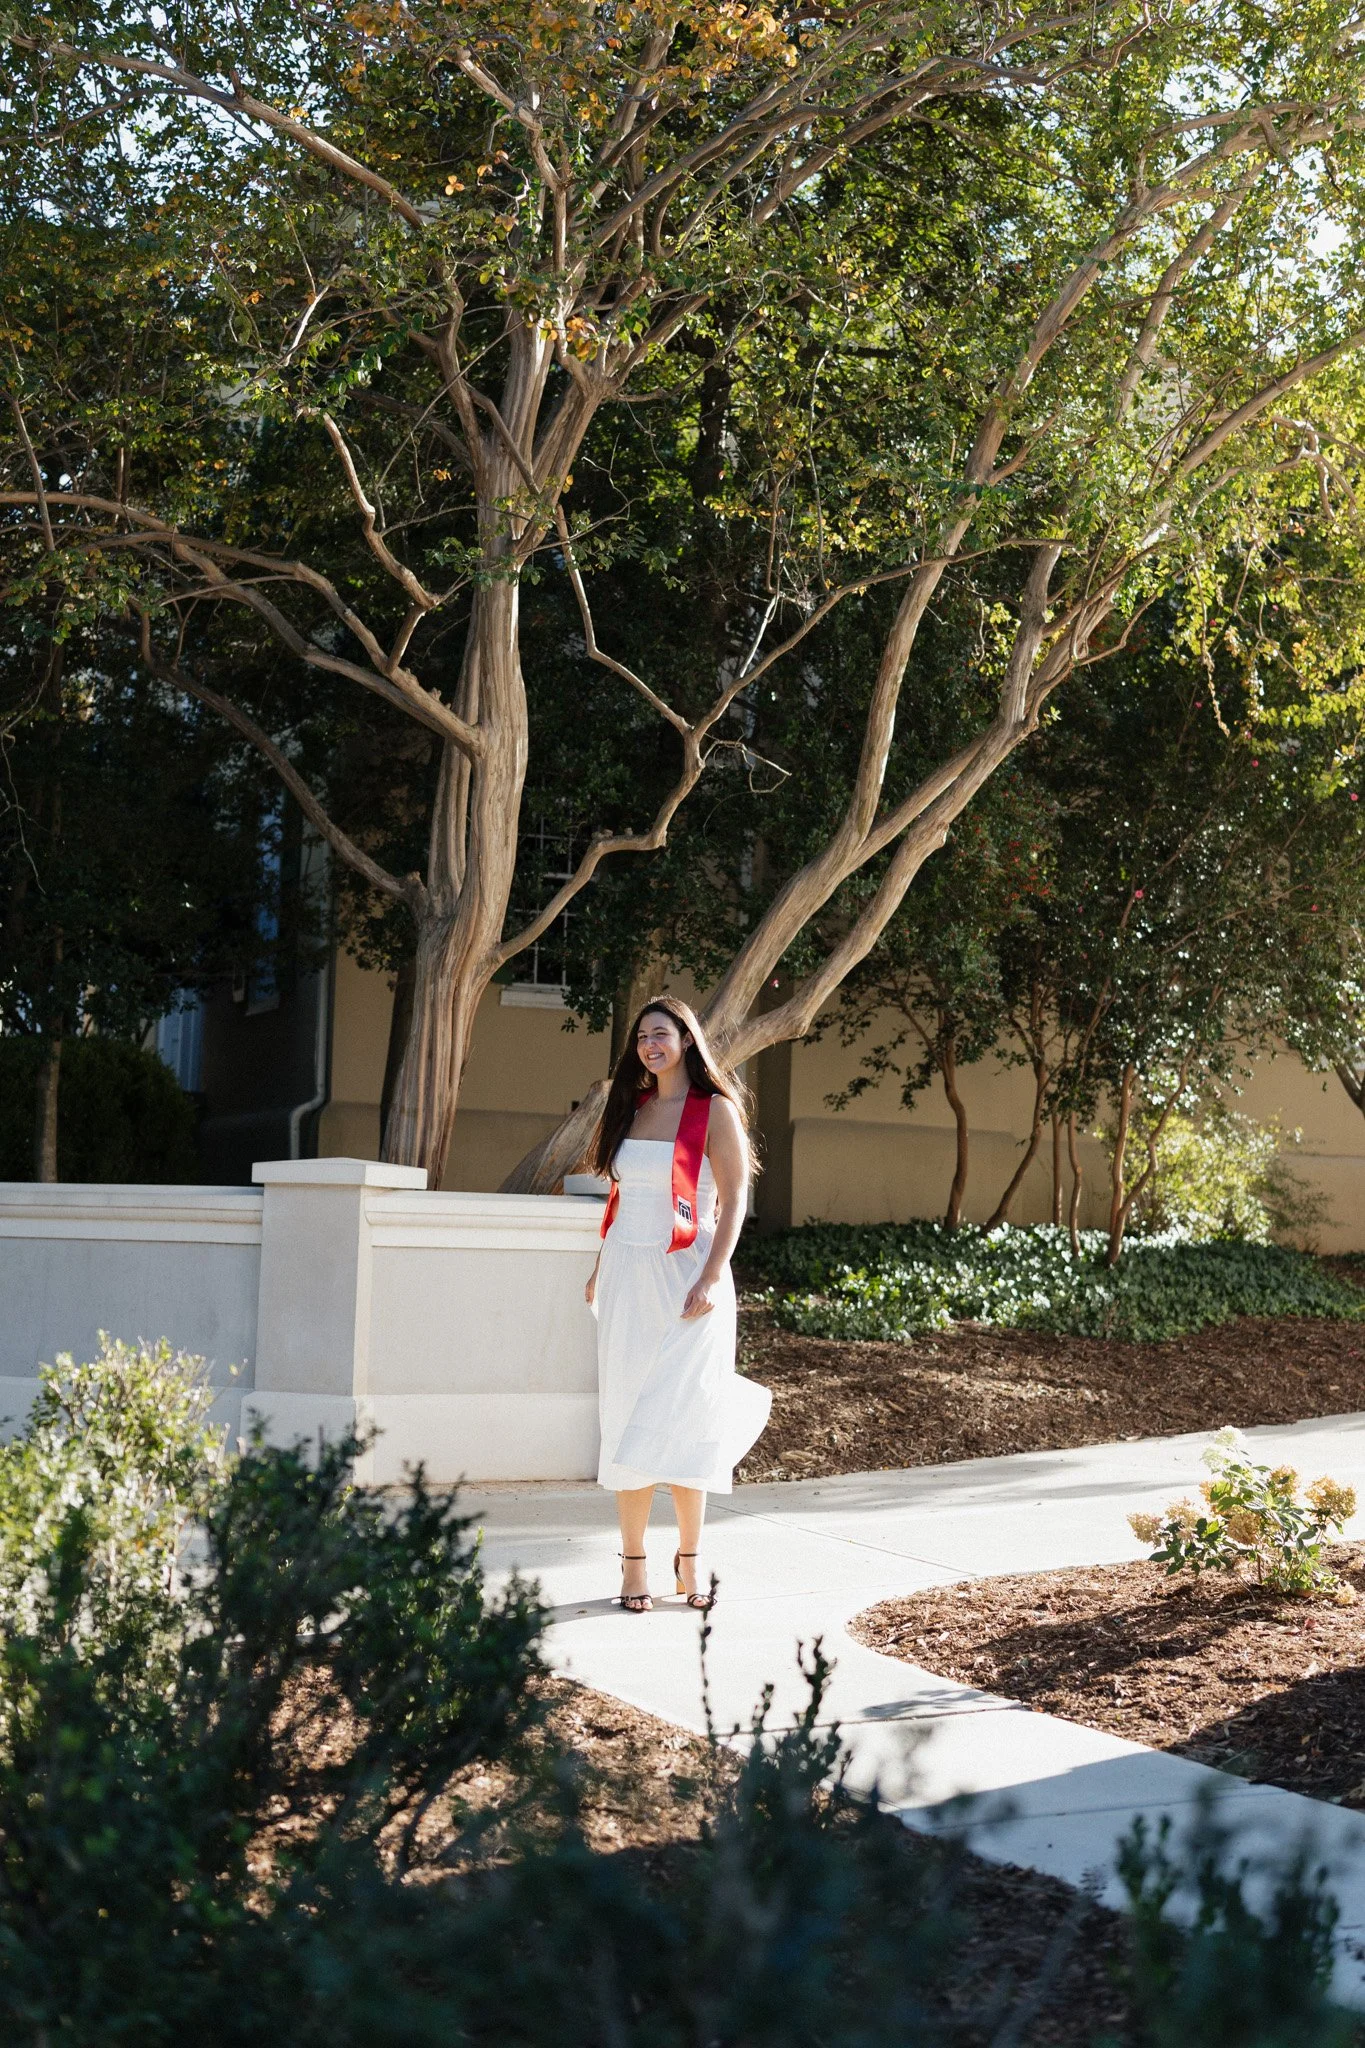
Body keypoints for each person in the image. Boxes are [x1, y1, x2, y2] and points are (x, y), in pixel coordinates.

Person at [584, 995, 771, 1613]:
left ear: (687, 1040)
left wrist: (713, 1276)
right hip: (626, 1281)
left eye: (660, 1033)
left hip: (689, 1279)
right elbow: (621, 1199)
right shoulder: (633, 1110)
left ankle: (690, 1558)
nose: (649, 1044)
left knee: (688, 1419)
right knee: (626, 1418)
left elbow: (735, 1201)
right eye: (642, 1036)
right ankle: (634, 1562)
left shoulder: (714, 1111)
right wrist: (597, 1269)